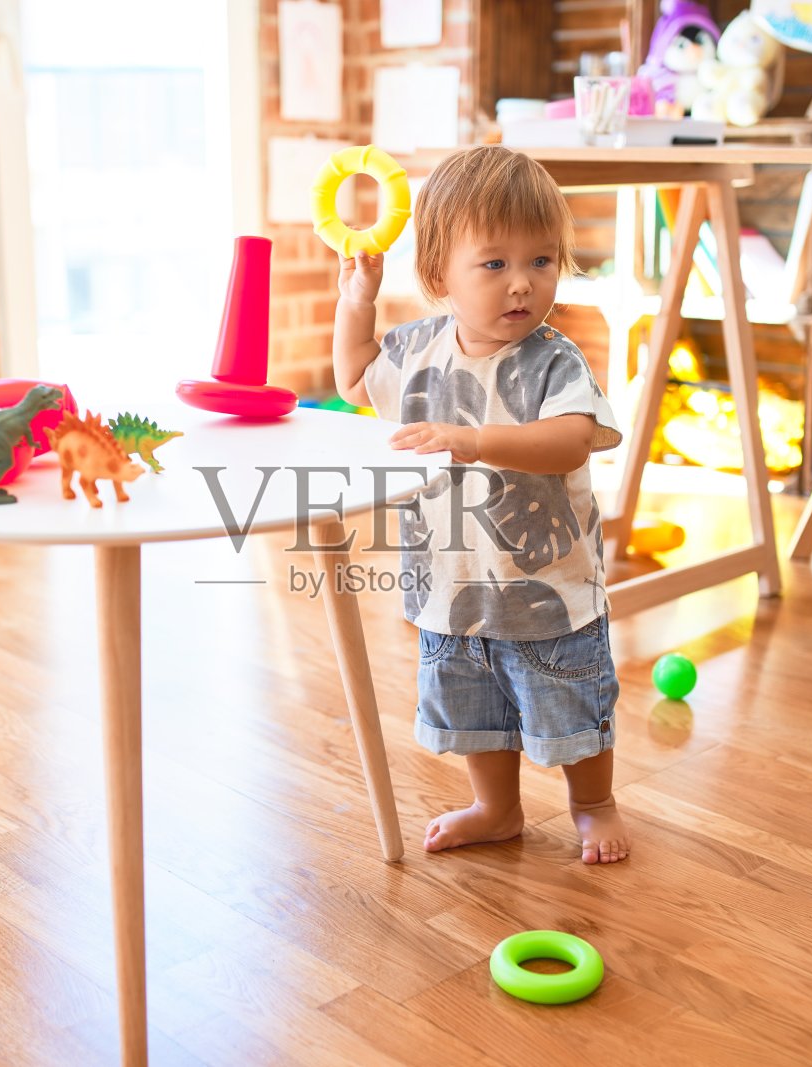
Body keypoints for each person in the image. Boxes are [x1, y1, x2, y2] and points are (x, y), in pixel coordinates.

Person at [330, 145, 630, 865]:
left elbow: (570, 441)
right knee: (474, 707)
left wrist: (473, 439)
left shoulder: (555, 358)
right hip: (455, 589)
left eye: (542, 261)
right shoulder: (418, 350)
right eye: (495, 264)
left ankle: (594, 802)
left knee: (570, 701)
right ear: (440, 276)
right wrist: (356, 301)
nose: (522, 283)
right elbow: (351, 377)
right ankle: (496, 807)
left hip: (548, 590)